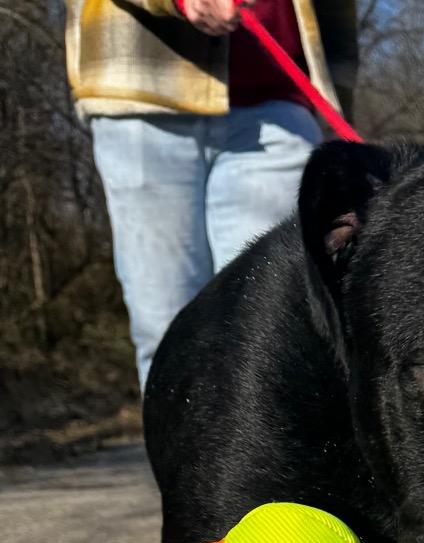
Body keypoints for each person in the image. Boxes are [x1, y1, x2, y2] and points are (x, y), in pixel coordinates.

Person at [65, 1, 358, 389]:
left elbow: (337, 15)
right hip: (143, 91)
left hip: (281, 100)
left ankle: (261, 450)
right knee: (166, 327)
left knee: (277, 323)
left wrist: (338, 106)